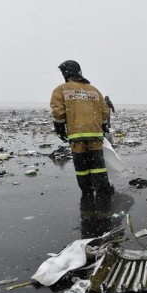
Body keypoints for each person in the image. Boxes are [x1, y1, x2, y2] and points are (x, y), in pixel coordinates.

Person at [50, 60, 113, 196]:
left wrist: (59, 128)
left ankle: (87, 192)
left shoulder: (61, 89)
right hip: (95, 134)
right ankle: (103, 191)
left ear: (66, 73)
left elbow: (58, 112)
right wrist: (102, 125)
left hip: (76, 135)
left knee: (81, 167)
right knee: (98, 166)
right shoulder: (94, 90)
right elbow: (104, 111)